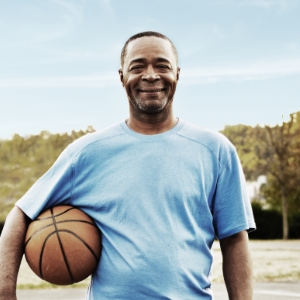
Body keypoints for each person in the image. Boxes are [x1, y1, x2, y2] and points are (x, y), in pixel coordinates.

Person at [0, 31, 255, 300]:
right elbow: (21, 215)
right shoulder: (87, 153)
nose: (150, 75)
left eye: (162, 65)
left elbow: (235, 240)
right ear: (122, 76)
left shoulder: (215, 150)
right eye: (137, 67)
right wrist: (5, 293)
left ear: (177, 74)